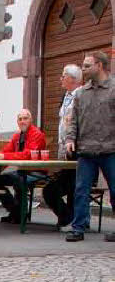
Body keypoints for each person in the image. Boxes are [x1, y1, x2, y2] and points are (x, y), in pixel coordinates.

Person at [64, 50, 115, 243]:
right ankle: (78, 228)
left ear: (99, 66)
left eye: (87, 65)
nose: (83, 69)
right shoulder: (81, 93)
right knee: (81, 190)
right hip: (86, 150)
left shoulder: (113, 89)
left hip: (110, 149)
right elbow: (73, 120)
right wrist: (70, 139)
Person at [0, 109, 46, 223]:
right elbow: (6, 151)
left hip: (36, 171)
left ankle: (19, 215)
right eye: (20, 119)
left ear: (31, 120)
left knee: (18, 179)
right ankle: (14, 210)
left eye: (25, 118)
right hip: (21, 171)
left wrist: (3, 157)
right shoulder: (17, 136)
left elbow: (27, 155)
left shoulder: (37, 134)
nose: (22, 121)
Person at [42, 64, 81, 227]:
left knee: (72, 186)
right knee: (57, 187)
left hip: (76, 149)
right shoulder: (65, 96)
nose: (60, 79)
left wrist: (72, 144)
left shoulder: (81, 95)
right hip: (64, 148)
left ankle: (72, 219)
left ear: (72, 79)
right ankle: (68, 216)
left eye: (63, 75)